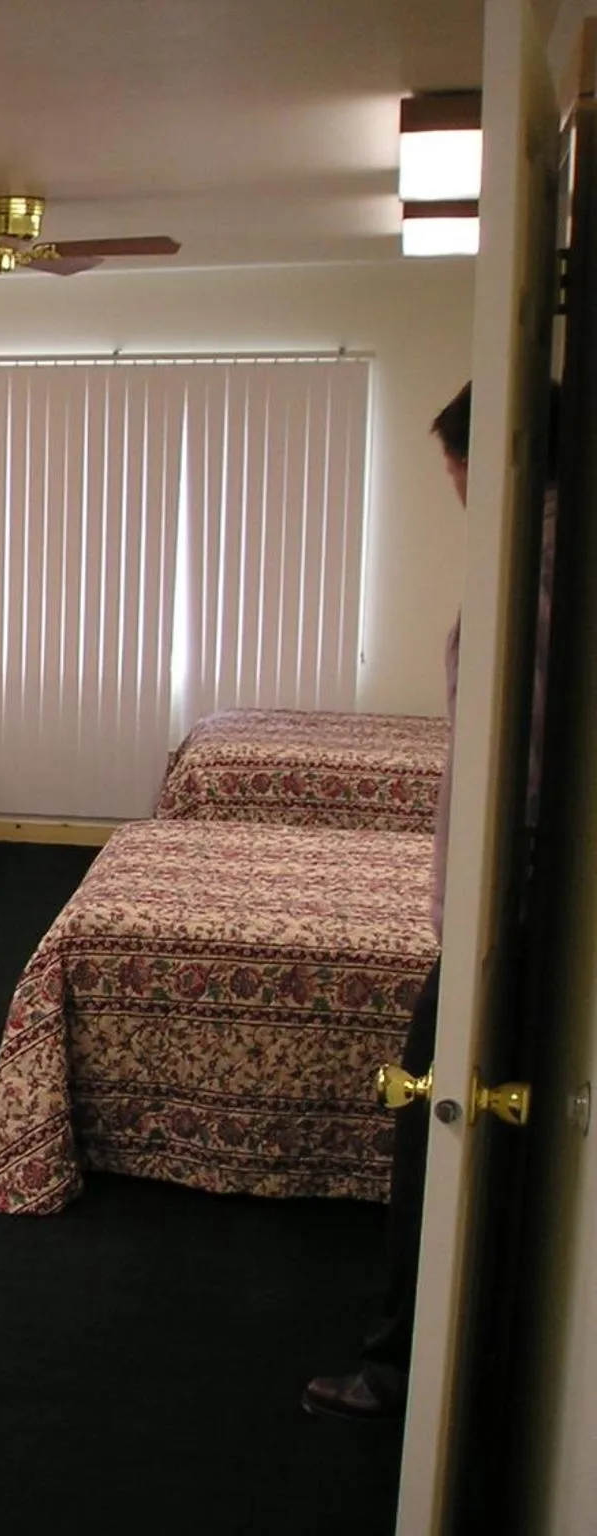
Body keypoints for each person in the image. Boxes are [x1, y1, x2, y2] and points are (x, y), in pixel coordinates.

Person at [301, 380, 555, 1420]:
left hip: (505, 909)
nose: (451, 490)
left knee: (429, 1105)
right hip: (499, 900)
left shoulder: (531, 574)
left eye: (451, 470)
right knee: (428, 1101)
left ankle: (408, 1363)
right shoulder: (534, 556)